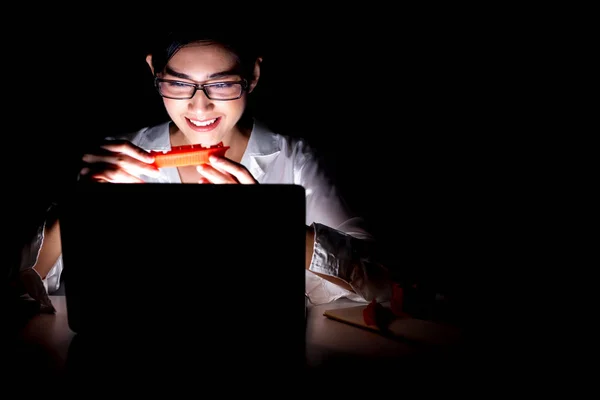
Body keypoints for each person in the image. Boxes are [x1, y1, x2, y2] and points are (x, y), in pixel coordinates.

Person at [17, 30, 393, 306]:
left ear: (254, 75)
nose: (200, 109)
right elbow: (23, 289)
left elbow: (381, 284)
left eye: (223, 84)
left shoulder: (295, 160)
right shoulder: (117, 162)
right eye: (179, 84)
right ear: (154, 70)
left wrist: (270, 224)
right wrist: (77, 207)